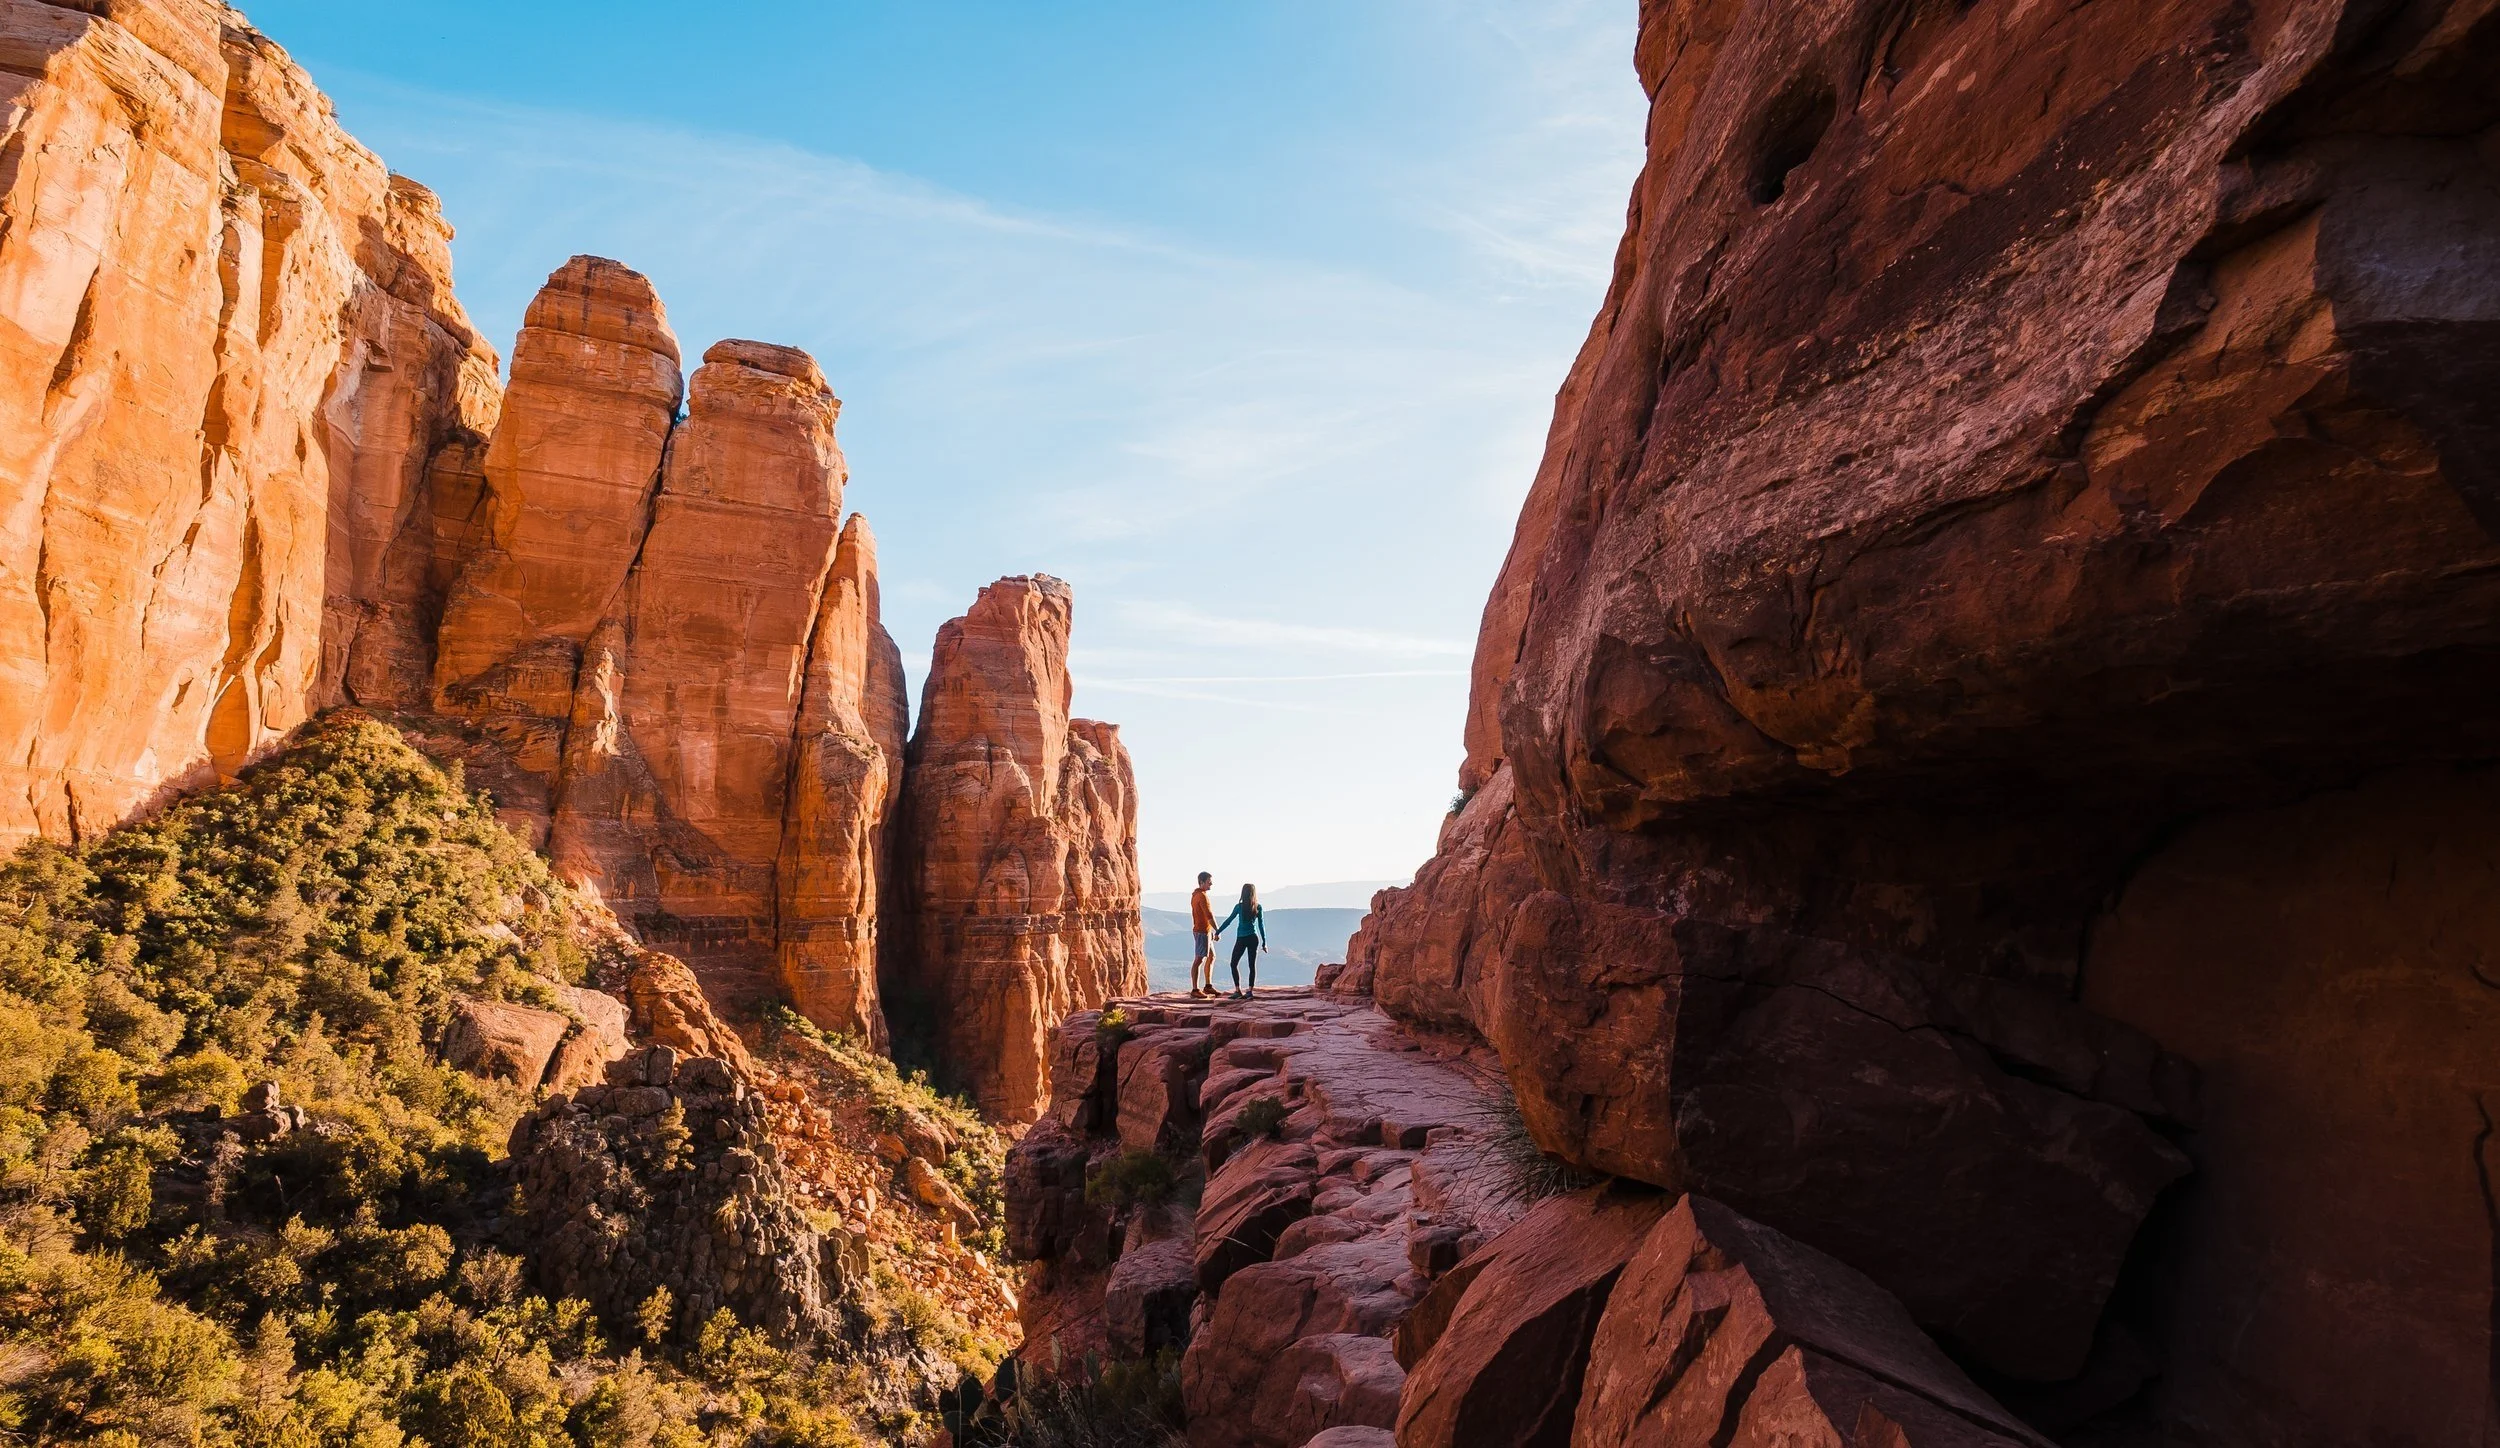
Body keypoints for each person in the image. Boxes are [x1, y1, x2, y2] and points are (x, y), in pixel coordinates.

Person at [1213, 883, 1266, 1000]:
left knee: (1233, 963)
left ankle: (1238, 990)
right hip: (1253, 938)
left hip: (1241, 938)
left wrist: (1218, 931)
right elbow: (1261, 925)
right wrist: (1264, 942)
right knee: (1251, 965)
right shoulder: (1258, 907)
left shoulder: (1239, 907)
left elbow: (1229, 920)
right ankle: (1250, 991)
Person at [1188, 872, 1219, 997]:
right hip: (1202, 931)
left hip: (1205, 931)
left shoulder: (1197, 895)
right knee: (1199, 959)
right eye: (1209, 881)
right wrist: (1218, 930)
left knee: (1211, 956)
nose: (1211, 883)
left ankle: (1208, 986)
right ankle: (1195, 990)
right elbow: (1209, 915)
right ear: (1202, 882)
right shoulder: (1201, 896)